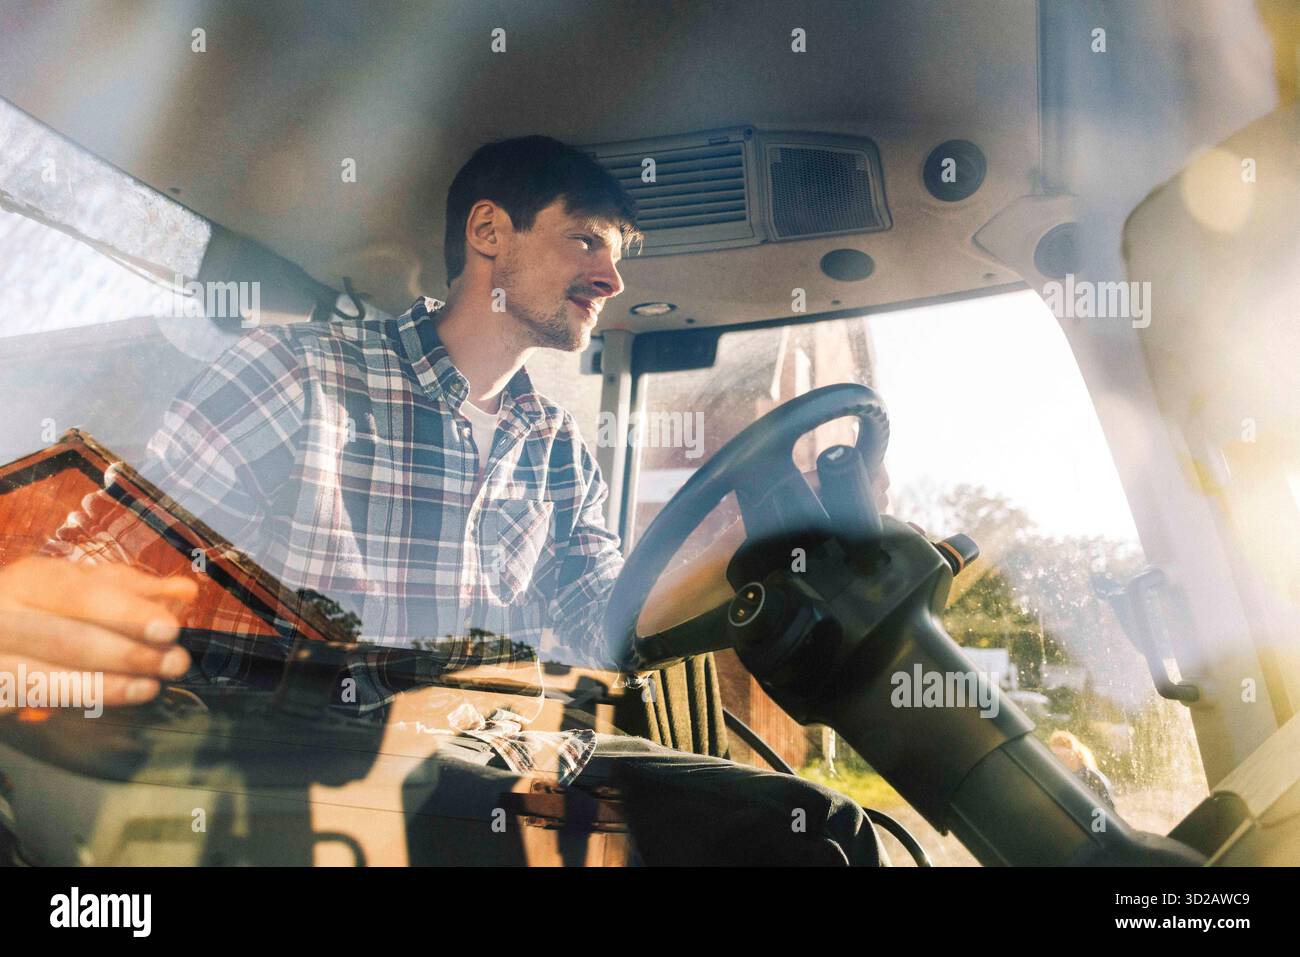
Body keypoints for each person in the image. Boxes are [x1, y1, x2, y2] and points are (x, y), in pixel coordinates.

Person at [0, 135, 889, 864]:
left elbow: (606, 621)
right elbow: (115, 562)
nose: (613, 278)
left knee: (828, 829)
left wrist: (768, 536)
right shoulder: (299, 375)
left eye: (620, 256)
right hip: (322, 749)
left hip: (514, 740)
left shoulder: (558, 448)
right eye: (587, 240)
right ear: (490, 232)